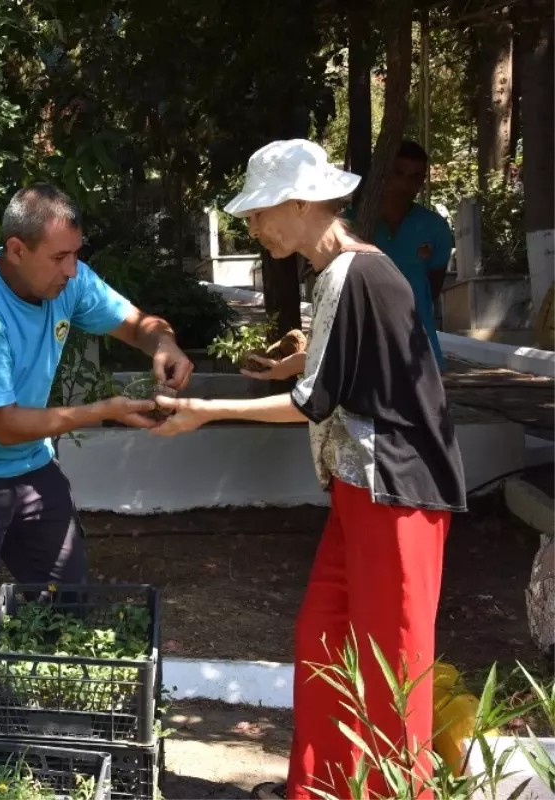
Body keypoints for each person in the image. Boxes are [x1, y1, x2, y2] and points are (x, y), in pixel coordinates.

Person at [151, 140, 466, 800]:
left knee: (392, 670)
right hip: (360, 492)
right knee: (323, 641)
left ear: (299, 203)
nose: (255, 226)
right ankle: (320, 788)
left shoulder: (358, 271)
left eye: (261, 211)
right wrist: (297, 361)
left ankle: (395, 793)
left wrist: (203, 410)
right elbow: (356, 363)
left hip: (397, 492)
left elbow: (314, 402)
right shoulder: (340, 273)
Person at [0, 182, 194, 732]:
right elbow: (4, 423)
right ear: (17, 250)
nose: (71, 270)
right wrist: (102, 410)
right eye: (59, 257)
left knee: (68, 601)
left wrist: (163, 343)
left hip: (29, 467)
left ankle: (45, 735)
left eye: (75, 254)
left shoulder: (66, 280)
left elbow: (134, 322)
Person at [369, 140, 454, 371]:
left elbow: (432, 288)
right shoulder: (356, 223)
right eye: (398, 173)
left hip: (419, 352)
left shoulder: (435, 228)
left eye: (415, 177)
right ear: (383, 172)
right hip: (366, 349)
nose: (405, 184)